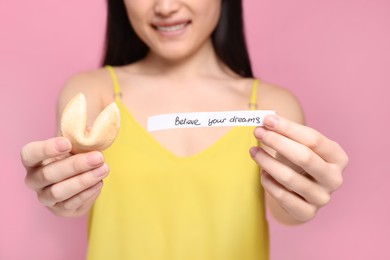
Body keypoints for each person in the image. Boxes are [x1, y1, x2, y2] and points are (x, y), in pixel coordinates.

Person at [20, 0, 349, 259]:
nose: (165, 6)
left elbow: (287, 211)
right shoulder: (91, 93)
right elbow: (74, 202)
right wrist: (62, 196)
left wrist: (305, 195)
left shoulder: (273, 106)